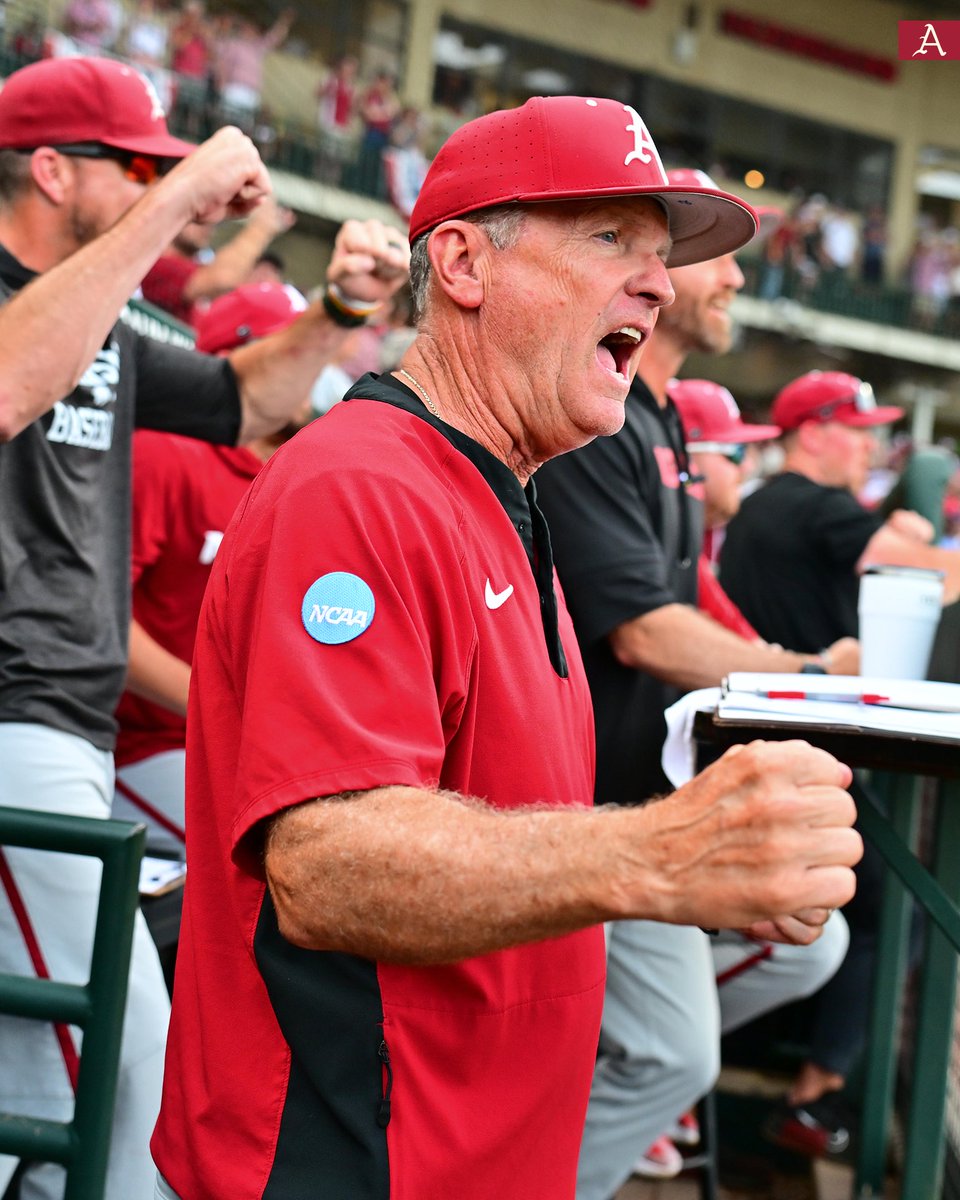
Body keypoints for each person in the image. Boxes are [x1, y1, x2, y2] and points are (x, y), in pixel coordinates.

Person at [150, 95, 861, 1200]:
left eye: (662, 256)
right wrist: (662, 853)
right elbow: (328, 865)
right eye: (609, 237)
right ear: (465, 264)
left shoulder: (508, 493)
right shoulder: (360, 484)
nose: (658, 283)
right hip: (350, 1161)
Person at [0, 54, 410, 1200]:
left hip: (70, 724)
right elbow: (9, 383)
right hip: (13, 719)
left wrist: (338, 310)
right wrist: (174, 209)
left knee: (39, 1082)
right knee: (128, 1066)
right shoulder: (37, 308)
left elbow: (247, 401)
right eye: (132, 165)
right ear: (47, 168)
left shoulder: (102, 323)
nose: (153, 183)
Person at [534, 168, 858, 1199]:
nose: (731, 285)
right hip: (580, 804)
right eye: (716, 259)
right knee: (677, 1052)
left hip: (648, 783)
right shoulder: (603, 416)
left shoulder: (661, 416)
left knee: (814, 937)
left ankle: (581, 1050)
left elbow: (691, 604)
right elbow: (640, 631)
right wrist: (806, 674)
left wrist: (798, 677)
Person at [719, 368, 960, 1154]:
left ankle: (769, 1085)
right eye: (858, 431)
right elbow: (933, 576)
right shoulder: (812, 504)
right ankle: (816, 1098)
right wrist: (920, 537)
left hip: (766, 736)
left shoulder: (766, 504)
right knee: (893, 912)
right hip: (793, 750)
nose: (872, 447)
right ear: (812, 432)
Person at [113, 281, 311, 857]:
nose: (309, 368)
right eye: (291, 346)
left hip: (253, 750)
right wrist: (228, 709)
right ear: (232, 361)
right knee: (282, 862)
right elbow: (97, 618)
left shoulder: (306, 468)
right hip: (145, 745)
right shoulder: (167, 452)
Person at [140, 194, 296, 327]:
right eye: (197, 215)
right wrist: (263, 226)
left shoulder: (197, 269)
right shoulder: (154, 263)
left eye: (214, 220)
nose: (208, 223)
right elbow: (223, 277)